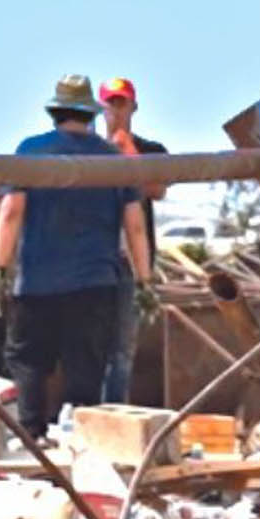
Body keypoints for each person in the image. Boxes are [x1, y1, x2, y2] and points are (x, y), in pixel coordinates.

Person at [0, 74, 155, 435]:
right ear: (90, 114)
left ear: (55, 113)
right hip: (95, 285)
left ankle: (31, 437)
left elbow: (11, 212)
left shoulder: (30, 152)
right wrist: (144, 281)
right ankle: (82, 447)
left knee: (29, 363)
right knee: (86, 371)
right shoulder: (112, 159)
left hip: (36, 284)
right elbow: (135, 225)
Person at [96, 76, 169, 404]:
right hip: (92, 260)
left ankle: (114, 410)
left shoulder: (151, 151)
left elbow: (156, 188)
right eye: (110, 103)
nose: (116, 110)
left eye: (121, 103)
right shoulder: (87, 152)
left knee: (122, 348)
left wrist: (126, 147)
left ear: (133, 107)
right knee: (90, 345)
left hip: (131, 262)